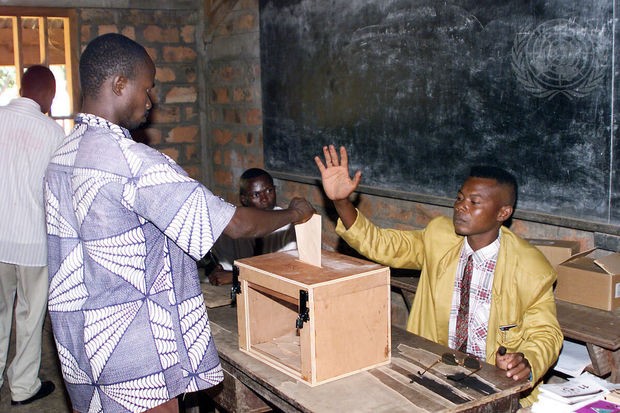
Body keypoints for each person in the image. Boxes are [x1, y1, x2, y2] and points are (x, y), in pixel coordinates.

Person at [44, 33, 314, 413]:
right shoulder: (134, 163)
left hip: (79, 347)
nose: (150, 101)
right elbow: (234, 225)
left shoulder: (62, 155)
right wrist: (294, 214)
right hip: (133, 356)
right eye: (147, 88)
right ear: (120, 85)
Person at [314, 145, 562, 406]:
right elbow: (382, 244)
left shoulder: (530, 268)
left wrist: (527, 360)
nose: (461, 207)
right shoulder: (439, 237)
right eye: (459, 198)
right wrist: (341, 202)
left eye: (474, 202)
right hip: (433, 371)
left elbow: (546, 332)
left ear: (503, 213)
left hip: (492, 382)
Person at [0, 65, 64, 405]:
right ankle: (23, 387)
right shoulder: (53, 134)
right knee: (29, 317)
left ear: (21, 87)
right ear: (51, 95)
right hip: (34, 245)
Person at [207, 168, 297, 286]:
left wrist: (237, 276)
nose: (265, 199)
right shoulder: (234, 225)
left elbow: (290, 271)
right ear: (244, 199)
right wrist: (217, 271)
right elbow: (222, 269)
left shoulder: (286, 224)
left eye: (269, 191)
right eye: (256, 194)